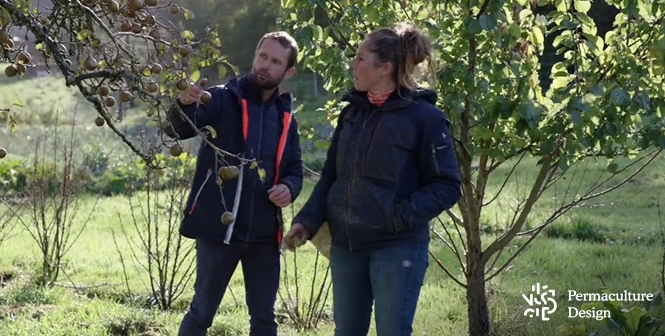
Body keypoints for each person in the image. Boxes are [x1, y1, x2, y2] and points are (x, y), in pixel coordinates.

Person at [284, 22, 462, 336]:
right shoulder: (352, 113)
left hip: (397, 248)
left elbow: (447, 185)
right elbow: (331, 176)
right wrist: (307, 221)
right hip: (347, 247)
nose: (352, 64)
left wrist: (396, 216)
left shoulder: (425, 119)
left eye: (360, 58)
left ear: (385, 69)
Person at [164, 31, 304, 336]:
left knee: (265, 321)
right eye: (262, 56)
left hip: (266, 236)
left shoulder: (286, 117)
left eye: (275, 61)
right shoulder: (223, 98)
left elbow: (294, 169)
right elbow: (178, 129)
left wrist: (290, 189)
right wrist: (183, 104)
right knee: (201, 314)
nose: (265, 65)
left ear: (288, 72)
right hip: (220, 230)